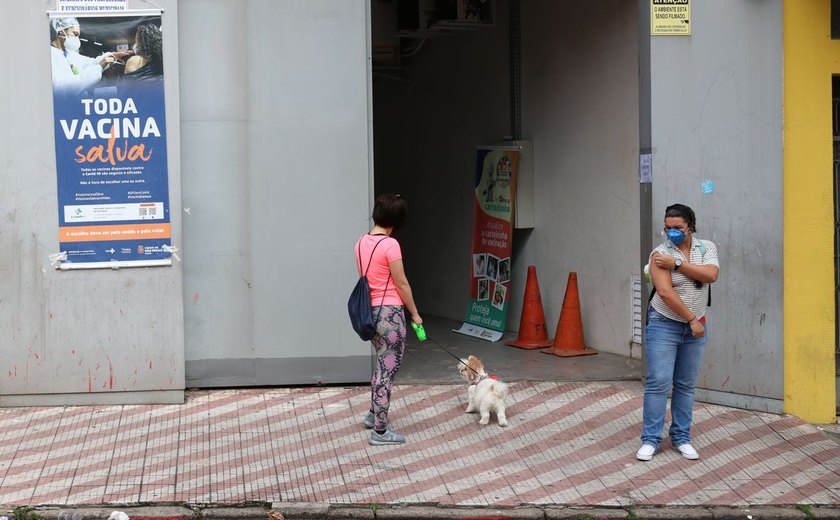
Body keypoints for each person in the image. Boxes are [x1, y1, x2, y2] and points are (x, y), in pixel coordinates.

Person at [637, 203, 719, 462]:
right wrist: (692, 320)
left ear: (690, 226)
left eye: (678, 228)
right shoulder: (659, 254)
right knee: (659, 382)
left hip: (695, 326)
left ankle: (681, 437)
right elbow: (664, 292)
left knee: (685, 384)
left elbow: (711, 274)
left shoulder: (706, 248)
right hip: (665, 323)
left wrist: (678, 264)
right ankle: (650, 440)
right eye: (667, 227)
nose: (671, 232)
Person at [355, 194, 422, 446]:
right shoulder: (390, 245)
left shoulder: (361, 242)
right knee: (387, 371)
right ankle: (380, 432)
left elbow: (366, 278)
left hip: (369, 315)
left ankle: (374, 415)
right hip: (390, 314)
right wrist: (414, 313)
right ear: (395, 221)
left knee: (381, 364)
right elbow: (401, 284)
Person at [50, 17, 121, 95]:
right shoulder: (50, 55)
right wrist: (100, 66)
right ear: (60, 30)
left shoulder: (69, 54)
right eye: (75, 34)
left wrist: (112, 55)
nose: (76, 39)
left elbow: (90, 62)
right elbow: (67, 88)